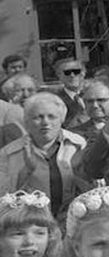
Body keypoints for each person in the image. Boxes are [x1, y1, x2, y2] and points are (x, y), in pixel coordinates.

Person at [0, 93, 89, 224]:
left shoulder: (78, 145)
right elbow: (4, 198)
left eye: (51, 116)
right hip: (31, 225)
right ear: (26, 121)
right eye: (38, 117)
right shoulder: (9, 153)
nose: (45, 122)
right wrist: (27, 171)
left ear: (62, 119)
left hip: (73, 221)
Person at [50, 59, 86, 128]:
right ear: (59, 76)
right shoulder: (56, 100)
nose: (72, 75)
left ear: (83, 74)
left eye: (76, 72)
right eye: (67, 72)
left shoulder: (91, 95)